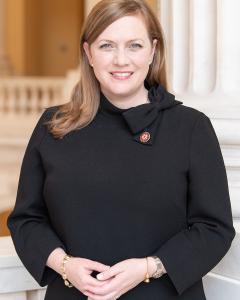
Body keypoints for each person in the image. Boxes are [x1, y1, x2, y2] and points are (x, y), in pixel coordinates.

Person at [7, 0, 235, 299]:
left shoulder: (190, 128)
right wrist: (65, 266)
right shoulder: (54, 125)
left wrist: (147, 268)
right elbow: (26, 220)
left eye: (134, 45)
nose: (121, 60)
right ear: (88, 53)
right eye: (106, 46)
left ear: (153, 51)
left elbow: (214, 228)